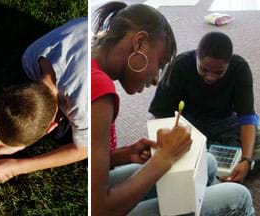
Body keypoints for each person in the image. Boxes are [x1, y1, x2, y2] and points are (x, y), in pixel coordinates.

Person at [91, 2, 253, 215]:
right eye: (160, 64)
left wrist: (119, 155)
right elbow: (100, 209)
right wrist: (163, 159)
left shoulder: (92, 68)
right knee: (240, 196)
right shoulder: (101, 92)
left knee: (209, 161)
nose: (157, 79)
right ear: (139, 43)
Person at [0, 17, 88, 183]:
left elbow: (84, 149)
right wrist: (19, 143)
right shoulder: (30, 56)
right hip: (88, 30)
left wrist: (18, 167)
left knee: (70, 139)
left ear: (52, 125)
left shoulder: (81, 104)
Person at [149, 32, 257, 183]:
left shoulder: (240, 68)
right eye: (204, 69)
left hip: (225, 123)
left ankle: (218, 165)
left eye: (219, 72)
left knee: (252, 147)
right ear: (196, 55)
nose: (210, 77)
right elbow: (161, 115)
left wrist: (246, 159)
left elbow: (247, 118)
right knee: (161, 155)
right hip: (189, 127)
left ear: (229, 63)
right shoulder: (179, 65)